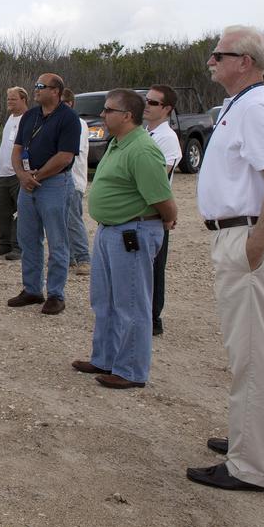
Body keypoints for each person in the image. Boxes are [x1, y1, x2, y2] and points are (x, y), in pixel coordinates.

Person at [187, 26, 264, 493]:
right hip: (240, 232)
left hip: (248, 235)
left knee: (250, 350)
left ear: (245, 61)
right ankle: (262, 444)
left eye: (219, 53)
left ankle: (249, 466)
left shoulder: (256, 108)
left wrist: (256, 244)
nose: (210, 59)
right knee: (258, 345)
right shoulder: (244, 105)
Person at [70, 89, 176, 390]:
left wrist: (168, 217)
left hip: (132, 232)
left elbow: (162, 197)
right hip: (110, 230)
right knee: (104, 300)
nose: (103, 115)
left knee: (131, 302)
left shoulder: (142, 149)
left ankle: (130, 370)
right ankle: (104, 358)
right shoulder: (118, 144)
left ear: (127, 115)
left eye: (108, 110)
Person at [6, 73, 81, 315]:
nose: (36, 90)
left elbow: (65, 156)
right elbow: (17, 149)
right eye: (36, 85)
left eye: (41, 86)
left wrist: (37, 177)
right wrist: (21, 175)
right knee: (28, 239)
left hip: (54, 185)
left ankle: (56, 295)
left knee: (57, 241)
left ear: (56, 91)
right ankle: (32, 289)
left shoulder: (69, 118)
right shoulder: (30, 116)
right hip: (27, 185)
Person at [143, 84, 181, 336]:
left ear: (166, 109)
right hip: (140, 211)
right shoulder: (146, 132)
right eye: (146, 100)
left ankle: (154, 318)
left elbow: (159, 177)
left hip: (154, 212)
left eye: (153, 102)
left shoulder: (167, 137)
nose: (146, 105)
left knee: (155, 267)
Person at [0, 87, 29, 258]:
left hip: (18, 172)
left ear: (23, 100)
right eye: (8, 99)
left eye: (13, 99)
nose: (9, 102)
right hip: (2, 172)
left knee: (22, 210)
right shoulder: (11, 118)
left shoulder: (29, 118)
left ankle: (19, 245)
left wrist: (24, 170)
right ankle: (3, 242)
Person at [62, 89, 92, 274]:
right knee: (62, 220)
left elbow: (71, 152)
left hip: (73, 179)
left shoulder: (78, 124)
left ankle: (83, 258)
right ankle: (70, 256)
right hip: (60, 179)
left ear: (70, 103)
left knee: (73, 219)